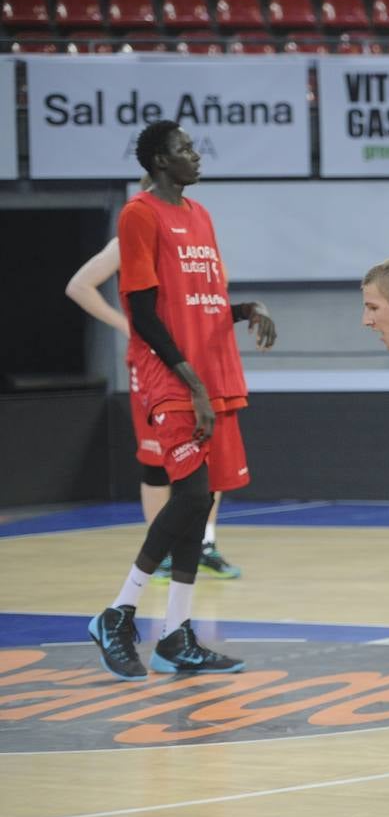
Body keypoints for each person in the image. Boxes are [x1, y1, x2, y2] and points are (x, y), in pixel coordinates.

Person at [88, 120, 276, 682]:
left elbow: (202, 302)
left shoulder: (201, 216)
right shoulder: (138, 214)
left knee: (201, 501)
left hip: (212, 374)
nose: (196, 155)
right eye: (184, 148)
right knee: (191, 494)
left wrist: (246, 311)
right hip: (172, 378)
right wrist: (190, 383)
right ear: (158, 161)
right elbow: (144, 313)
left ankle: (176, 636)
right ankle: (117, 613)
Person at [66, 220, 245, 583]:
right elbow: (79, 286)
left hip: (198, 357)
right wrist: (126, 325)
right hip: (153, 364)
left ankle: (205, 544)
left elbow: (218, 286)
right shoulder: (129, 241)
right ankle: (159, 550)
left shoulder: (194, 240)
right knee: (157, 460)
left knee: (210, 453)